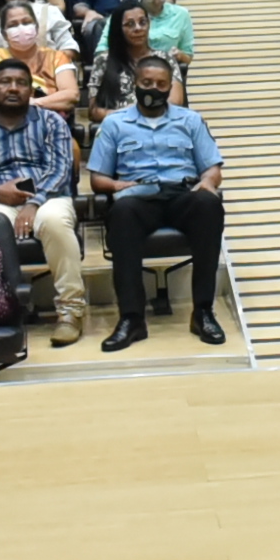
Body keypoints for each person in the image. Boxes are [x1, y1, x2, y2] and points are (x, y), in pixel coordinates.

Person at [88, 53, 228, 351]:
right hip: (138, 197)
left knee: (209, 204)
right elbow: (97, 178)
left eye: (160, 84)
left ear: (170, 87)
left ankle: (203, 312)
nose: (153, 88)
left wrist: (208, 182)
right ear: (134, 84)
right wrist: (116, 185)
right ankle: (132, 319)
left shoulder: (190, 120)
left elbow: (212, 168)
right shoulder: (115, 124)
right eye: (146, 82)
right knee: (122, 211)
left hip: (182, 194)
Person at [0, 54, 86, 346]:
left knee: (54, 221)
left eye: (21, 83)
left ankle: (70, 312)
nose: (13, 88)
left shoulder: (51, 122)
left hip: (48, 196)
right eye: (5, 82)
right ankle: (0, 310)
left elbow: (60, 171)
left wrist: (32, 203)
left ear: (30, 90)